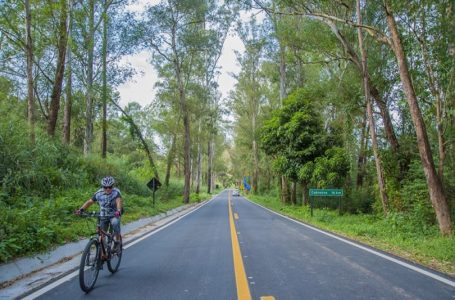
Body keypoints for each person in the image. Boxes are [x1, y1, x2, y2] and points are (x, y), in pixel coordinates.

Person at [76, 176, 123, 252]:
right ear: (102, 187)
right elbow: (90, 202)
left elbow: (119, 202)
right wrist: (81, 209)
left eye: (110, 187)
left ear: (112, 186)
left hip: (114, 214)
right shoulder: (98, 193)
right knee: (101, 233)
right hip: (103, 215)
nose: (107, 189)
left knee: (115, 223)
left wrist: (118, 210)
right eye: (105, 187)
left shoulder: (116, 192)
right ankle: (103, 250)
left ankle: (117, 241)